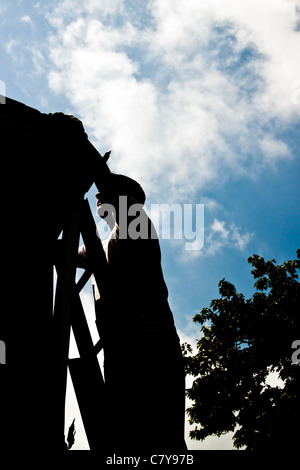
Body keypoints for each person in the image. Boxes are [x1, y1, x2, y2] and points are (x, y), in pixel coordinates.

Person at [80, 173, 186, 453]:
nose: (96, 197)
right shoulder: (106, 245)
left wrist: (90, 161)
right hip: (124, 349)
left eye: (103, 193)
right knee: (129, 441)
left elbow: (107, 185)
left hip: (151, 347)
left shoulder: (138, 227)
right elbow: (71, 254)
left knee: (162, 441)